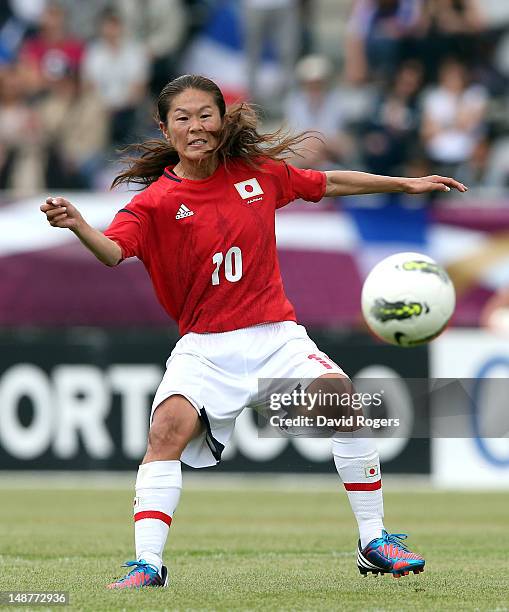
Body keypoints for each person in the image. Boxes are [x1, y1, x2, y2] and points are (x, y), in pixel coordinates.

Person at [40, 74, 467, 589]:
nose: (196, 126)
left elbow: (328, 182)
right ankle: (148, 566)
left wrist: (406, 185)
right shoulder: (153, 204)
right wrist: (79, 225)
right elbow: (112, 252)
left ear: (222, 121)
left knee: (345, 402)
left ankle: (374, 541)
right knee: (165, 431)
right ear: (164, 127)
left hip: (274, 336)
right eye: (183, 117)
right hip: (204, 347)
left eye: (205, 115)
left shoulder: (257, 175)